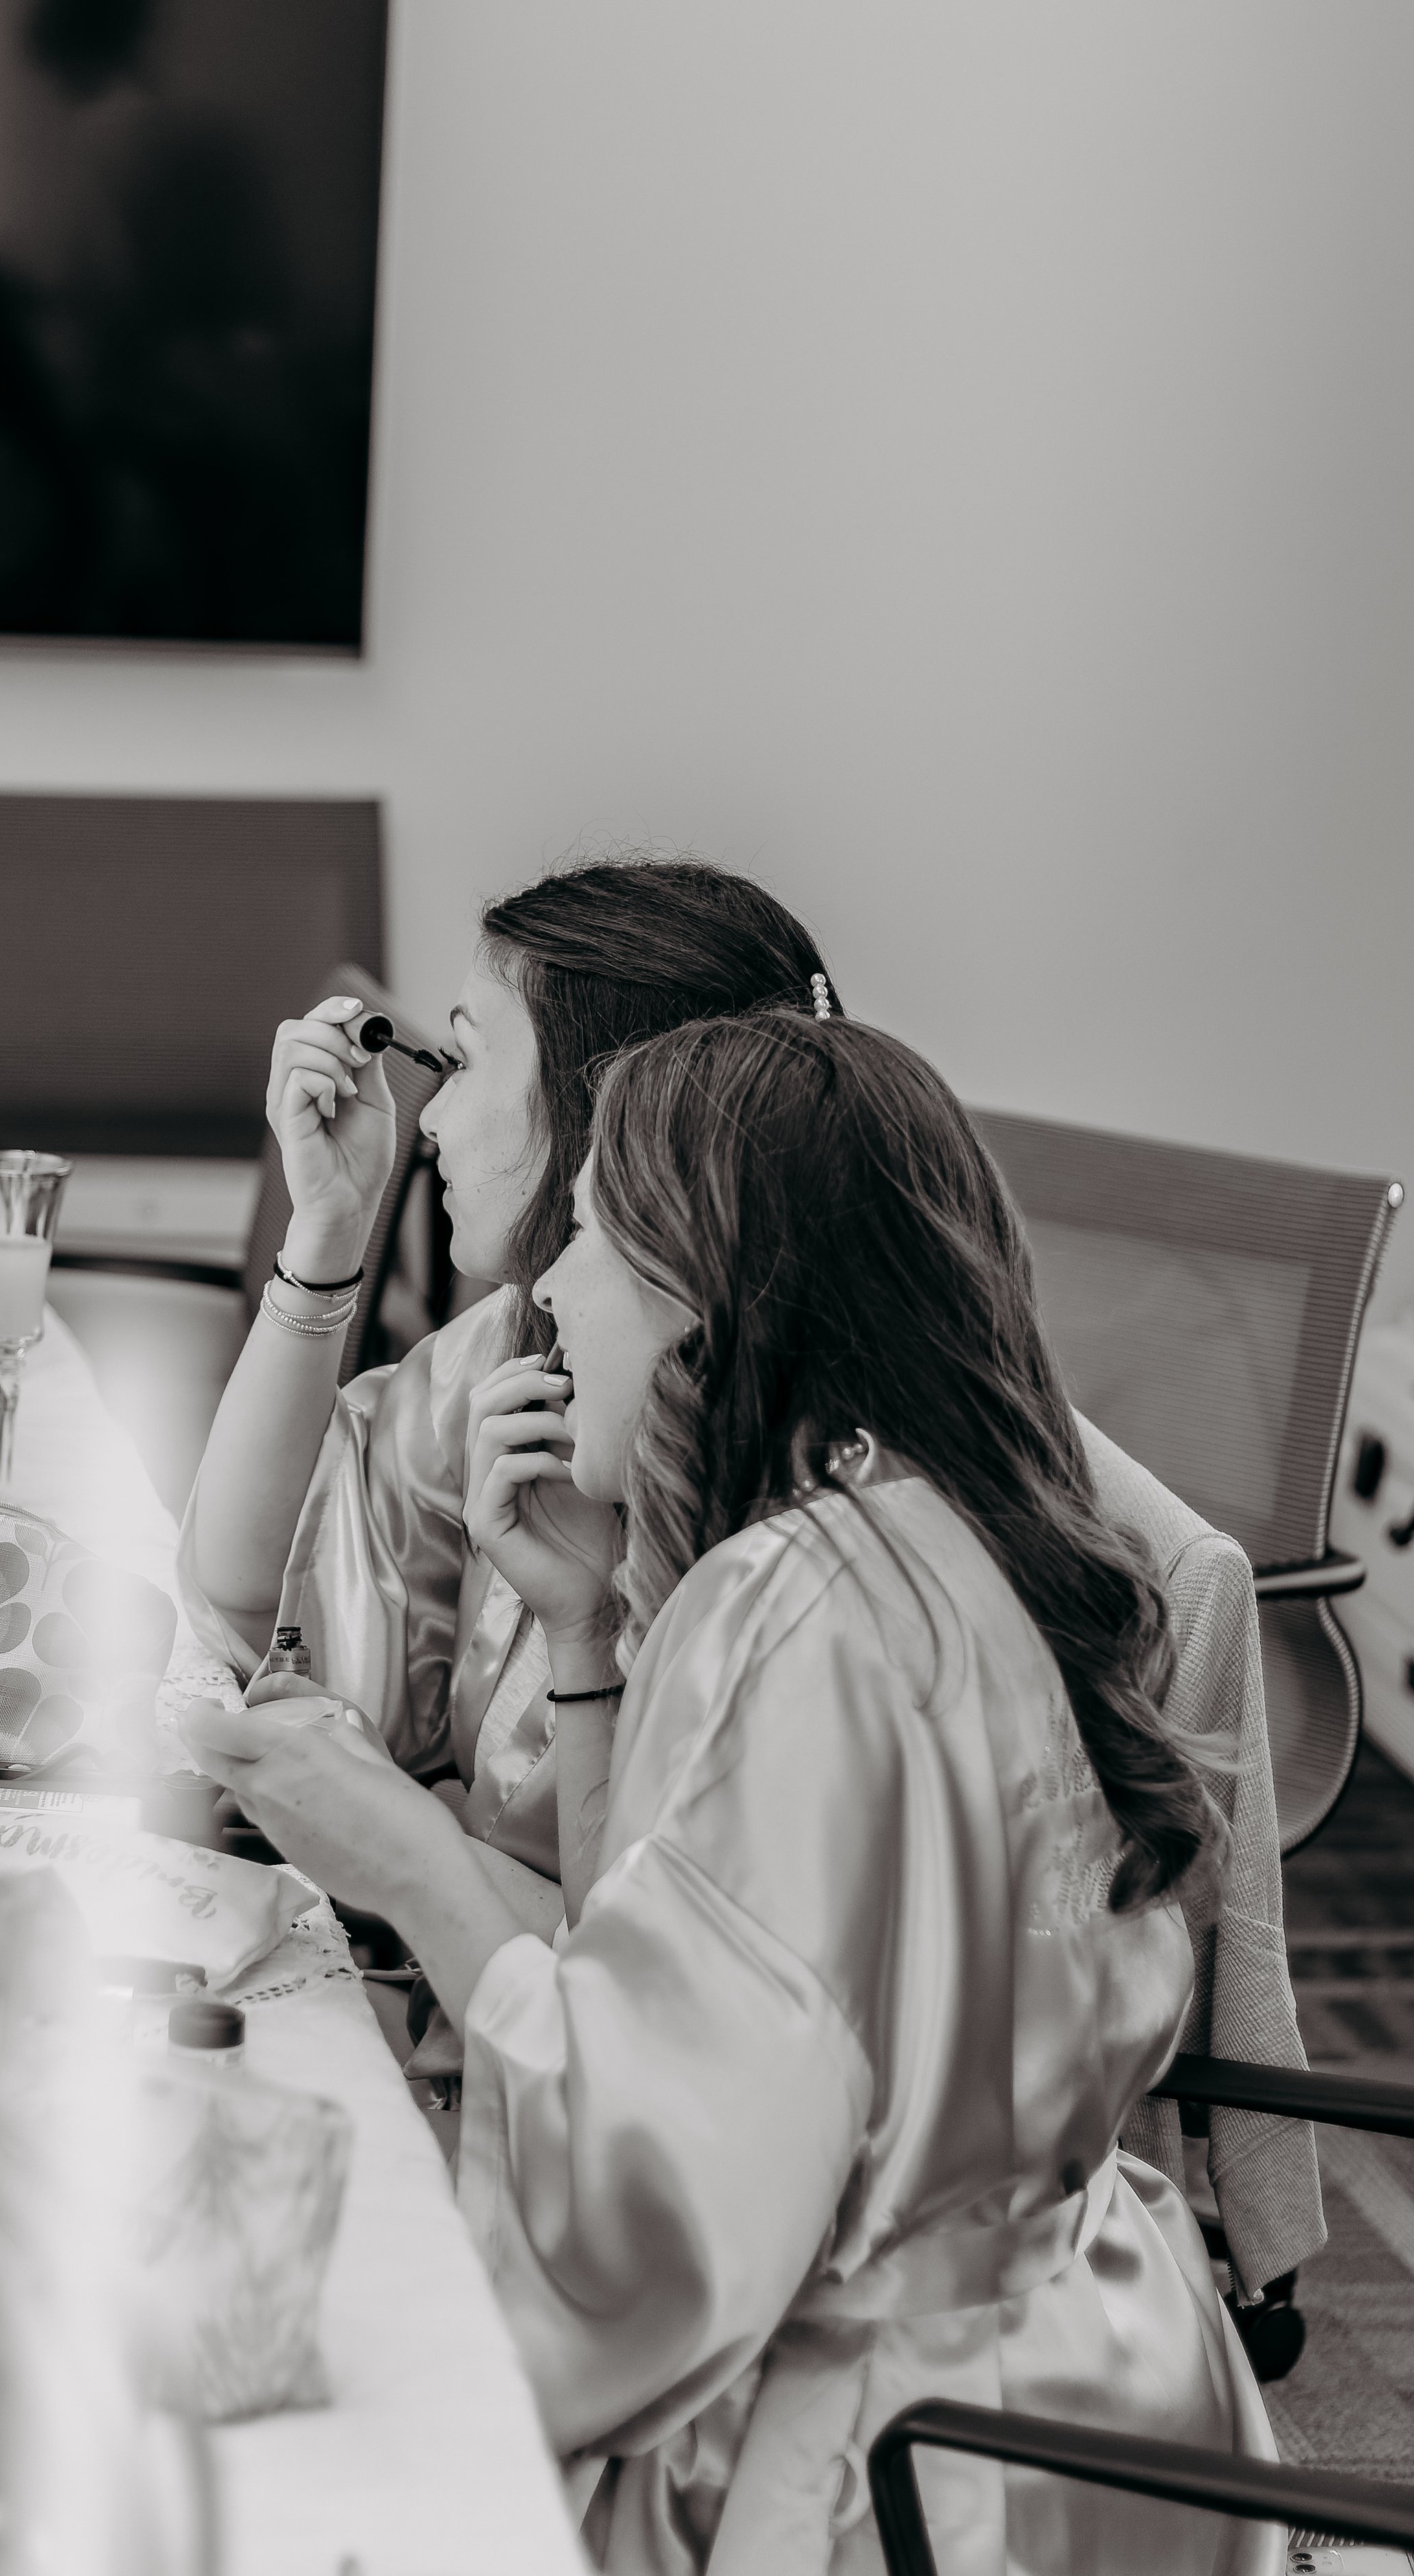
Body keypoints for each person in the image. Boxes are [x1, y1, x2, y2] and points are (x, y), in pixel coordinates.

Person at [182, 1006, 1279, 2576]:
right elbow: (697, 1985)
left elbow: (657, 2230)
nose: (549, 1290)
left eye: (597, 1243)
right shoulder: (939, 1532)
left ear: (708, 1294)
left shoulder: (793, 1614)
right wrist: (578, 1629)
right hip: (1105, 2386)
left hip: (885, 2482)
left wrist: (409, 1859)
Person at [182, 856, 832, 1934]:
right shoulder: (525, 1348)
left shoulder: (788, 1541)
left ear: (602, 1119)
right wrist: (329, 1236)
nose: (431, 1118)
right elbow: (255, 1597)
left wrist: (424, 1843)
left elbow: (665, 1990)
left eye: (465, 1062)